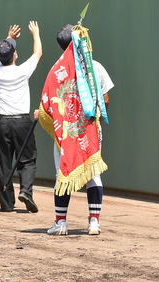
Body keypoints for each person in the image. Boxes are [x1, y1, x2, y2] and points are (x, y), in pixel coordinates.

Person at [45, 24, 113, 236]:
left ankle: (61, 223)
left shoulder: (57, 70)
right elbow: (106, 99)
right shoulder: (95, 66)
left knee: (62, 173)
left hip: (66, 131)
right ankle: (94, 222)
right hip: (89, 128)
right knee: (93, 174)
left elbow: (49, 102)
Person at [0, 21, 43, 212]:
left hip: (2, 122)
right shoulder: (21, 71)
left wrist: (9, 37)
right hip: (22, 121)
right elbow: (38, 53)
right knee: (27, 160)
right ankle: (26, 191)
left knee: (4, 162)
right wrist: (35, 34)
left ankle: (6, 204)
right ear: (15, 55)